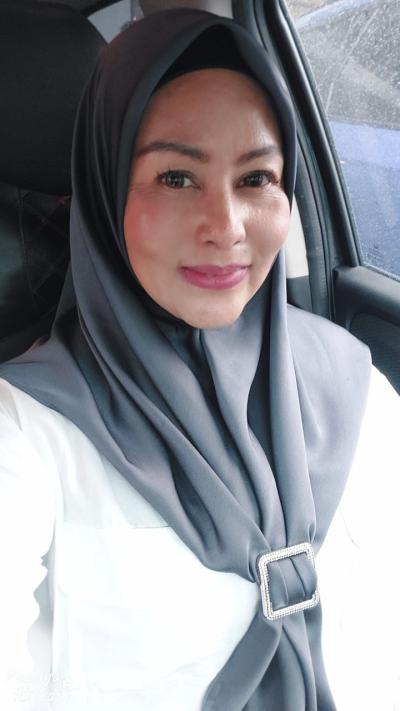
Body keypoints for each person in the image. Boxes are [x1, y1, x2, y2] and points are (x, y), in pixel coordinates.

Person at [0, 7, 399, 711]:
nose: (226, 226)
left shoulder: (357, 384)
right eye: (176, 178)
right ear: (106, 189)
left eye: (256, 178)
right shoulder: (26, 432)